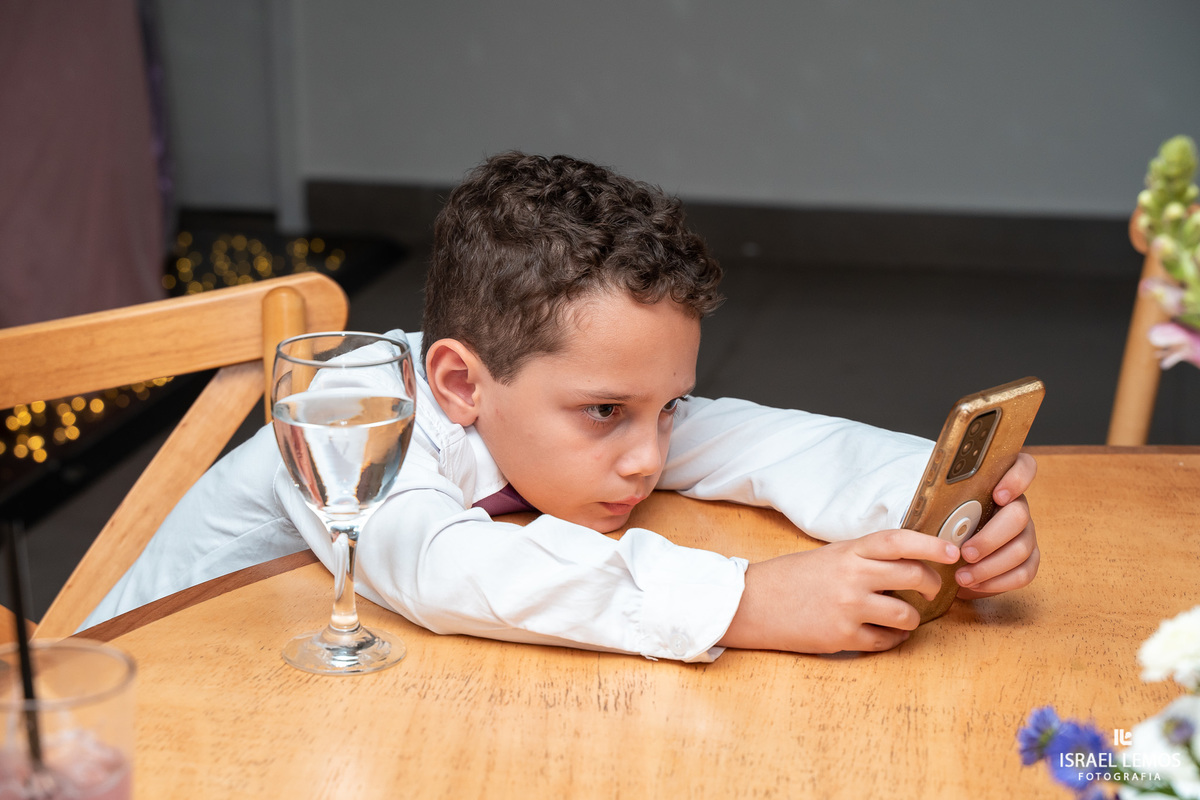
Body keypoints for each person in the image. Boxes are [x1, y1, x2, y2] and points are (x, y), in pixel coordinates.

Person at [84, 152, 1039, 661]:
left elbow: (760, 439)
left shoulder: (567, 391)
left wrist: (931, 504)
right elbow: (441, 568)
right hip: (142, 697)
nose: (646, 456)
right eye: (606, 415)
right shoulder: (348, 417)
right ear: (459, 383)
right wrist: (745, 600)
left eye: (669, 406)